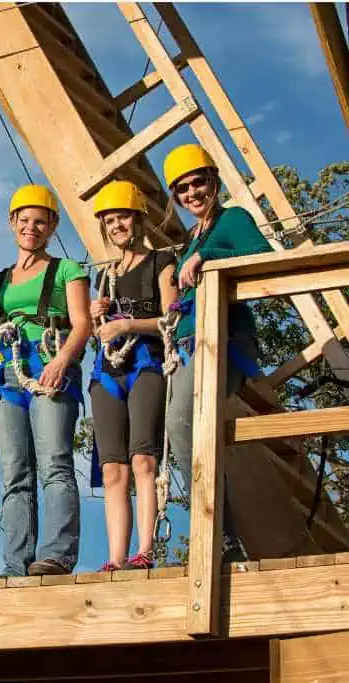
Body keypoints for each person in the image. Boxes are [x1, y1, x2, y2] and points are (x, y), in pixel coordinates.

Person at [160, 144, 270, 562]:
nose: (192, 194)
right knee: (189, 433)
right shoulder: (193, 237)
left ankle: (221, 539)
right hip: (191, 345)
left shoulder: (231, 220)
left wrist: (210, 256)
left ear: (214, 181)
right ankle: (220, 536)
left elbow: (262, 256)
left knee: (179, 422)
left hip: (220, 341)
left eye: (198, 183)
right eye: (182, 189)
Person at [0, 185, 91, 578]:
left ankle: (56, 554)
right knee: (15, 473)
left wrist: (61, 360)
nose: (31, 228)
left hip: (47, 367)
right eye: (24, 220)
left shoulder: (66, 270)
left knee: (54, 463)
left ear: (53, 226)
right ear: (12, 223)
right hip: (5, 373)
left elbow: (82, 323)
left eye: (40, 221)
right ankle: (15, 562)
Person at [87, 181, 178, 571]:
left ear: (138, 219)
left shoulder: (162, 262)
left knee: (143, 458)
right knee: (112, 467)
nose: (116, 225)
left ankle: (144, 551)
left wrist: (127, 326)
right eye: (109, 220)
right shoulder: (104, 277)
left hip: (146, 364)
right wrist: (98, 318)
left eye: (122, 216)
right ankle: (115, 558)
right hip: (108, 370)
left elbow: (172, 318)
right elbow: (101, 333)